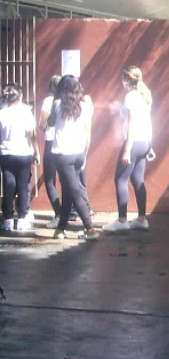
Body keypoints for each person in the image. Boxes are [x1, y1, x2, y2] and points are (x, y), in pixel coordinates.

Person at [105, 66, 154, 232]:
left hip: (133, 142)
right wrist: (149, 144)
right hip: (144, 142)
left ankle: (122, 220)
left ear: (126, 80)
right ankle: (141, 219)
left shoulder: (131, 96)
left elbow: (133, 123)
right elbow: (146, 121)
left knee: (120, 180)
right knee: (138, 180)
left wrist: (127, 149)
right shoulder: (144, 94)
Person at [50, 75, 99, 240]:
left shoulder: (57, 105)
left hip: (62, 155)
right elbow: (88, 134)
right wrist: (85, 155)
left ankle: (90, 228)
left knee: (74, 191)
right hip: (78, 153)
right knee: (68, 191)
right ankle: (61, 228)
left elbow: (49, 123)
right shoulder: (85, 107)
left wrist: (54, 100)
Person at [0, 83, 40, 233]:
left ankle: (8, 219)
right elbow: (32, 135)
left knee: (8, 184)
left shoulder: (1, 113)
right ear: (20, 96)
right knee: (23, 186)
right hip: (23, 154)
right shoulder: (25, 112)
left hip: (5, 154)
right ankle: (22, 218)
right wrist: (37, 152)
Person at [38, 75, 62, 227]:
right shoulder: (69, 101)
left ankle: (59, 214)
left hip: (51, 141)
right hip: (67, 144)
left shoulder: (49, 101)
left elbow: (42, 123)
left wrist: (44, 126)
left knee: (49, 179)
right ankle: (71, 211)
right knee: (67, 179)